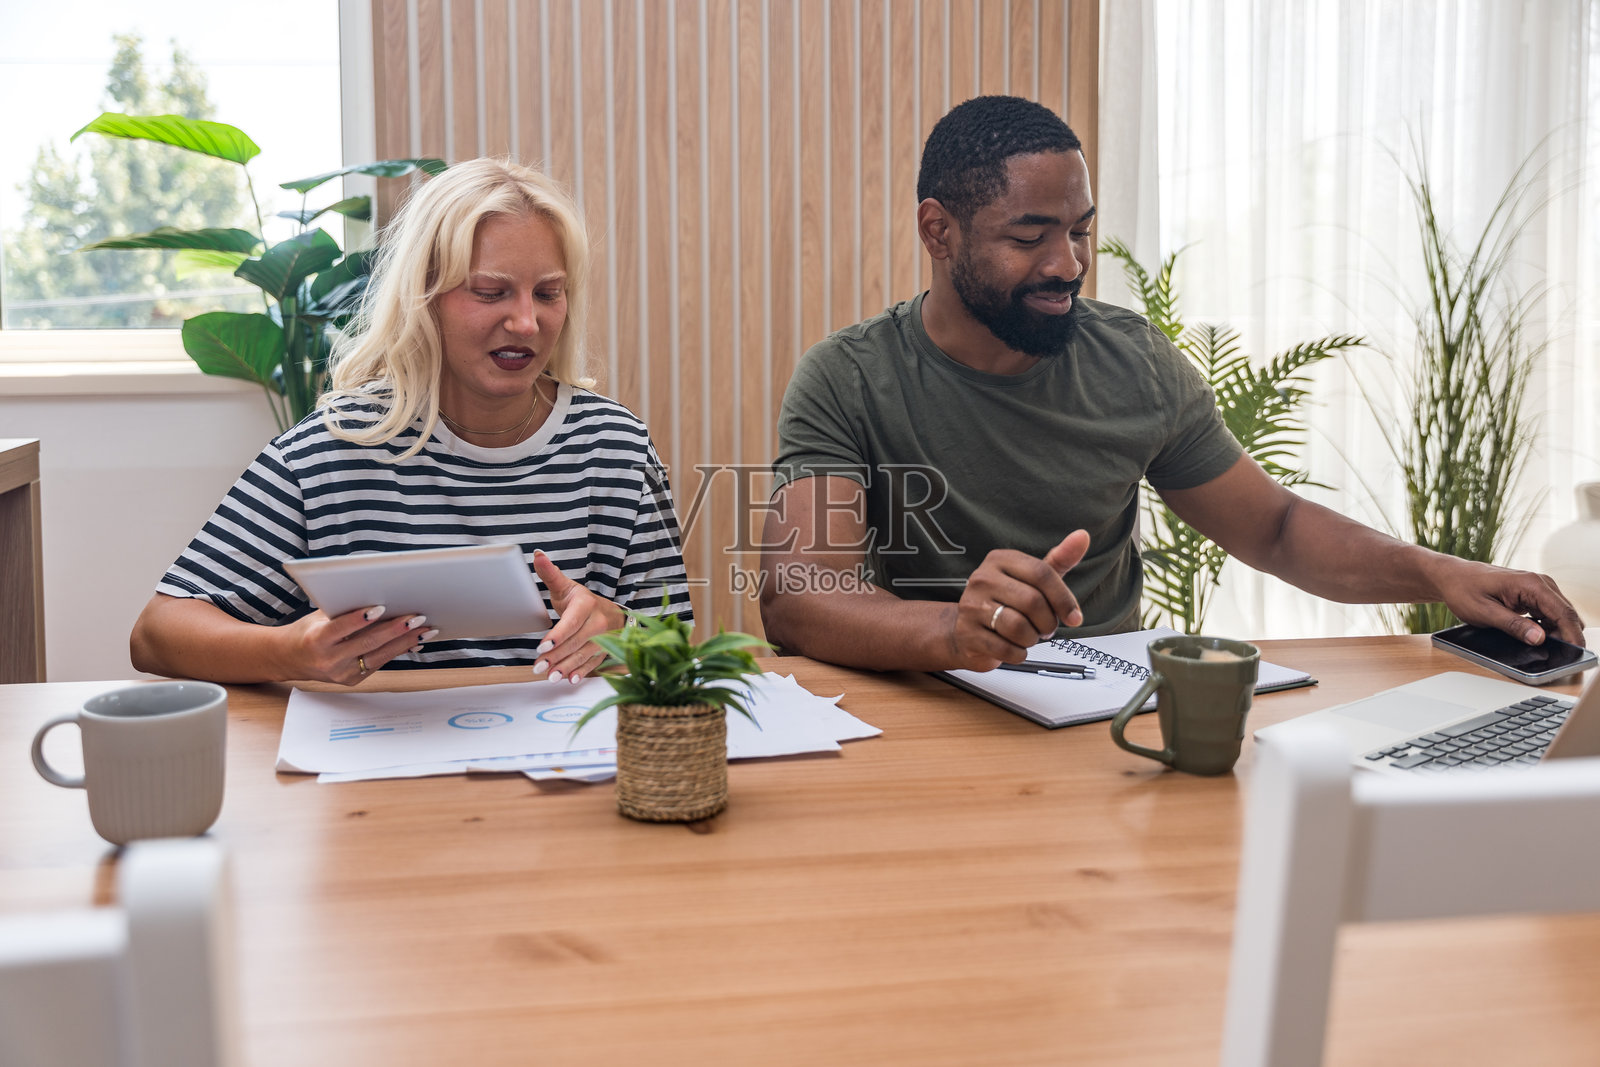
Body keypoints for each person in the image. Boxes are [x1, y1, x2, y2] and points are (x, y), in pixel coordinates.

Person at [760, 95, 1584, 672]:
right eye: (1030, 235)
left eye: (1081, 230)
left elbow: (1277, 529)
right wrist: (954, 629)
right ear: (938, 230)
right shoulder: (848, 377)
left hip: (1102, 711)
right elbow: (799, 598)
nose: (1069, 263)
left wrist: (1437, 571)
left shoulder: (1134, 362)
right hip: (925, 710)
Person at [131, 158, 692, 686]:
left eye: (549, 293)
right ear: (425, 298)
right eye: (490, 292)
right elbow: (156, 634)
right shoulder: (331, 451)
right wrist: (290, 651)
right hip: (377, 768)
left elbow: (677, 643)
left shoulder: (615, 447)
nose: (527, 321)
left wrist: (619, 632)